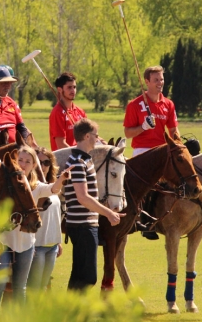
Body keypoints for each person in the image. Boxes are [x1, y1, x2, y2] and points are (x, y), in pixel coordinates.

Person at [0, 145, 70, 306]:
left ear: (34, 165)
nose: (23, 164)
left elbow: (52, 189)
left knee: (20, 287)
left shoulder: (36, 186)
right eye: (20, 160)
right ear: (15, 161)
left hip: (26, 244)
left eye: (28, 161)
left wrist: (61, 180)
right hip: (3, 242)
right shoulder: (4, 184)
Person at [63, 118, 124, 290]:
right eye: (96, 136)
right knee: (87, 277)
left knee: (81, 275)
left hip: (87, 224)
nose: (98, 139)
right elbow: (82, 197)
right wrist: (108, 213)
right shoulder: (77, 162)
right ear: (87, 136)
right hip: (81, 226)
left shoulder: (86, 160)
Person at [123, 65, 179, 239]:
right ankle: (143, 221)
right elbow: (127, 133)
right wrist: (143, 127)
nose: (160, 83)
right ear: (147, 81)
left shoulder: (168, 104)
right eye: (156, 80)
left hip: (162, 151)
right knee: (145, 188)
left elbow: (174, 131)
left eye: (161, 79)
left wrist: (179, 145)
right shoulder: (135, 105)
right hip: (143, 151)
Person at [28, 146, 63, 290]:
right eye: (39, 162)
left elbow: (55, 216)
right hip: (37, 246)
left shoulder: (54, 187)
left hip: (52, 245)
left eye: (46, 163)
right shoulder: (32, 187)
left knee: (43, 286)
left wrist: (58, 241)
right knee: (34, 287)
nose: (43, 166)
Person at [48, 72, 87, 150]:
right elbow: (61, 144)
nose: (73, 91)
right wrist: (79, 156)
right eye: (69, 87)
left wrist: (104, 143)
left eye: (74, 87)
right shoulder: (57, 113)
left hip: (81, 157)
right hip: (65, 159)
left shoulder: (80, 112)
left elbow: (90, 135)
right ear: (60, 89)